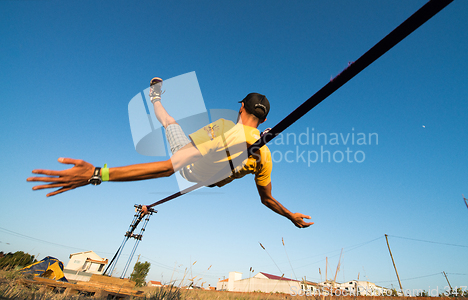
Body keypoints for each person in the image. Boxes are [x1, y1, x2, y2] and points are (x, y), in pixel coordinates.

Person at [27, 78, 313, 228]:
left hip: (190, 167)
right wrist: (291, 217)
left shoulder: (223, 128)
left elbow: (168, 168)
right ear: (263, 120)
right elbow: (267, 200)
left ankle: (155, 98)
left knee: (170, 123)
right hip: (209, 178)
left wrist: (96, 174)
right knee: (187, 139)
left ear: (241, 108)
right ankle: (157, 98)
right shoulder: (265, 155)